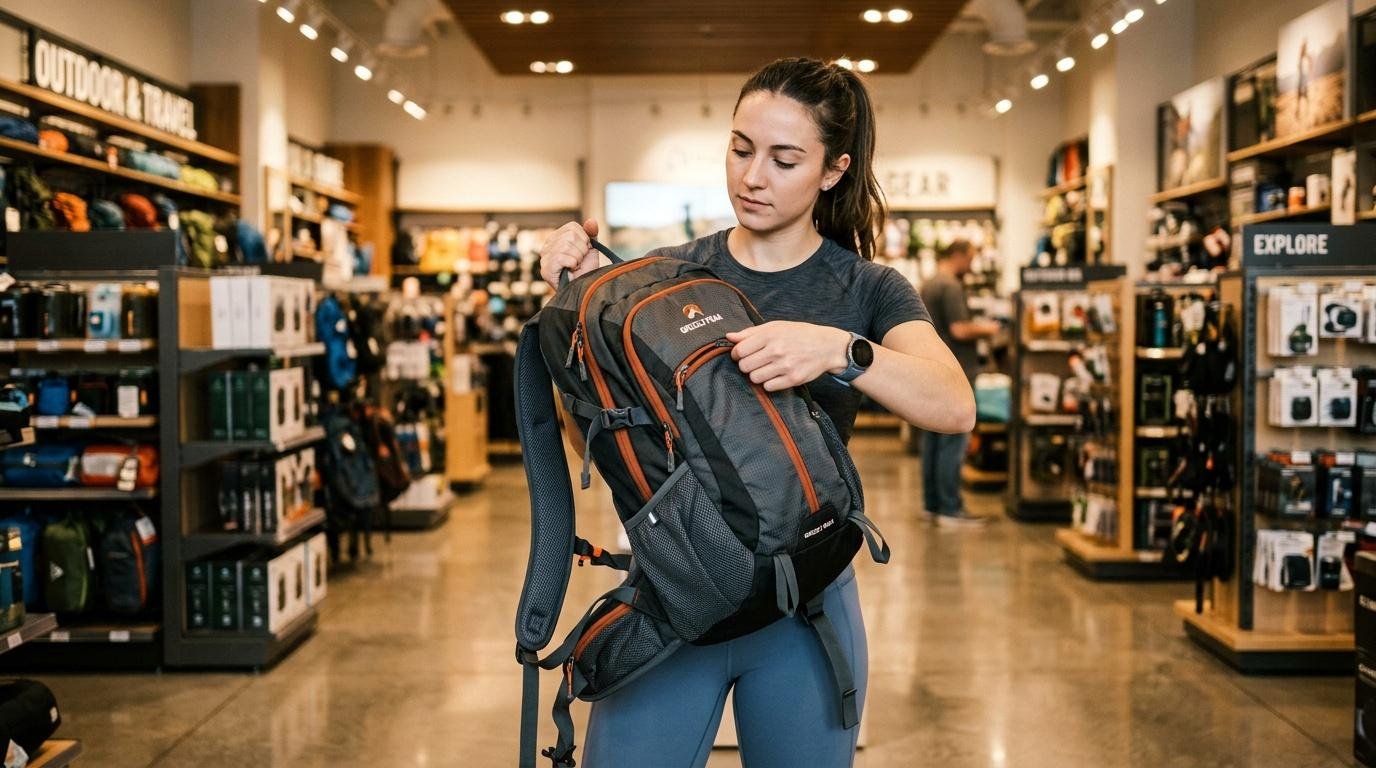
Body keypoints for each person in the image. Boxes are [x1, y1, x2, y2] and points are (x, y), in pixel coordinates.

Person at [538, 57, 973, 767]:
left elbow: (953, 405)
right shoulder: (667, 277)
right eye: (740, 149)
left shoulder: (866, 288)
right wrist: (573, 312)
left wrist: (839, 349)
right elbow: (586, 437)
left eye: (784, 158)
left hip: (806, 605)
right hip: (675, 594)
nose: (752, 176)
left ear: (832, 170)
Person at [918, 239, 1001, 527]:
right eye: (970, 258)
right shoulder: (950, 286)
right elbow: (959, 328)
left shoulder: (929, 284)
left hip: (932, 368)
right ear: (958, 256)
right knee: (954, 439)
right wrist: (988, 329)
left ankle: (933, 504)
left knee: (933, 438)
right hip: (956, 370)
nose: (972, 265)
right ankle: (950, 508)